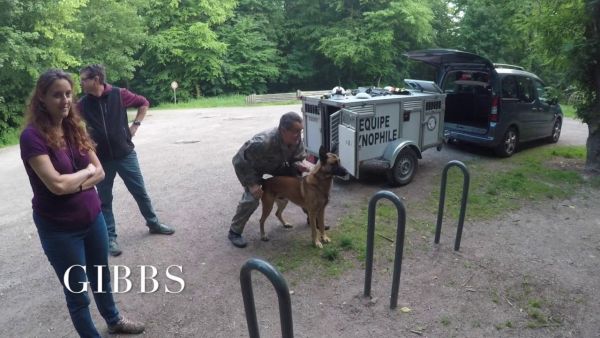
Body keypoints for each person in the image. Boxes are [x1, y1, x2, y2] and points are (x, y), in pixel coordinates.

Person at [19, 69, 145, 336]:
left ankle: (113, 320)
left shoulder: (74, 126)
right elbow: (56, 185)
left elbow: (97, 172)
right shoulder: (32, 137)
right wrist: (85, 174)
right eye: (56, 95)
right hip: (59, 229)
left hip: (92, 217)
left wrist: (79, 178)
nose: (65, 100)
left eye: (68, 94)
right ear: (41, 98)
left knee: (101, 278)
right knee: (78, 293)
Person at [78, 64, 174, 256]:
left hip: (125, 154)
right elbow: (71, 122)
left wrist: (135, 126)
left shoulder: (118, 94)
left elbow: (144, 103)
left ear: (96, 79)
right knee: (104, 200)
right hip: (102, 159)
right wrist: (84, 140)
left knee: (140, 191)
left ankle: (153, 224)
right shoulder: (82, 104)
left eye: (83, 79)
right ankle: (110, 238)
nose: (81, 83)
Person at [228, 112, 310, 248]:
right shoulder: (263, 142)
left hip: (276, 166)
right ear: (283, 130)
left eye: (300, 131)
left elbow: (297, 157)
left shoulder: (295, 139)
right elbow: (238, 160)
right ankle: (234, 232)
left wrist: (300, 164)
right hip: (253, 170)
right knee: (252, 198)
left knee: (299, 183)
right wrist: (252, 184)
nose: (299, 135)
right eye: (296, 131)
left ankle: (311, 216)